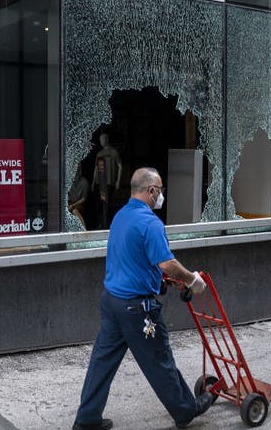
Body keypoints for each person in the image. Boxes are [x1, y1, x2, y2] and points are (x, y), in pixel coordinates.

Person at [73, 167, 215, 430]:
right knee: (159, 360)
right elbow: (167, 264)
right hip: (137, 309)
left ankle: (87, 418)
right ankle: (185, 410)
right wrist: (192, 280)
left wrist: (155, 282)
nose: (161, 196)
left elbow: (133, 256)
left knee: (102, 362)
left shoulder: (121, 216)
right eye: (160, 190)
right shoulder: (150, 223)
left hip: (112, 301)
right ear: (151, 191)